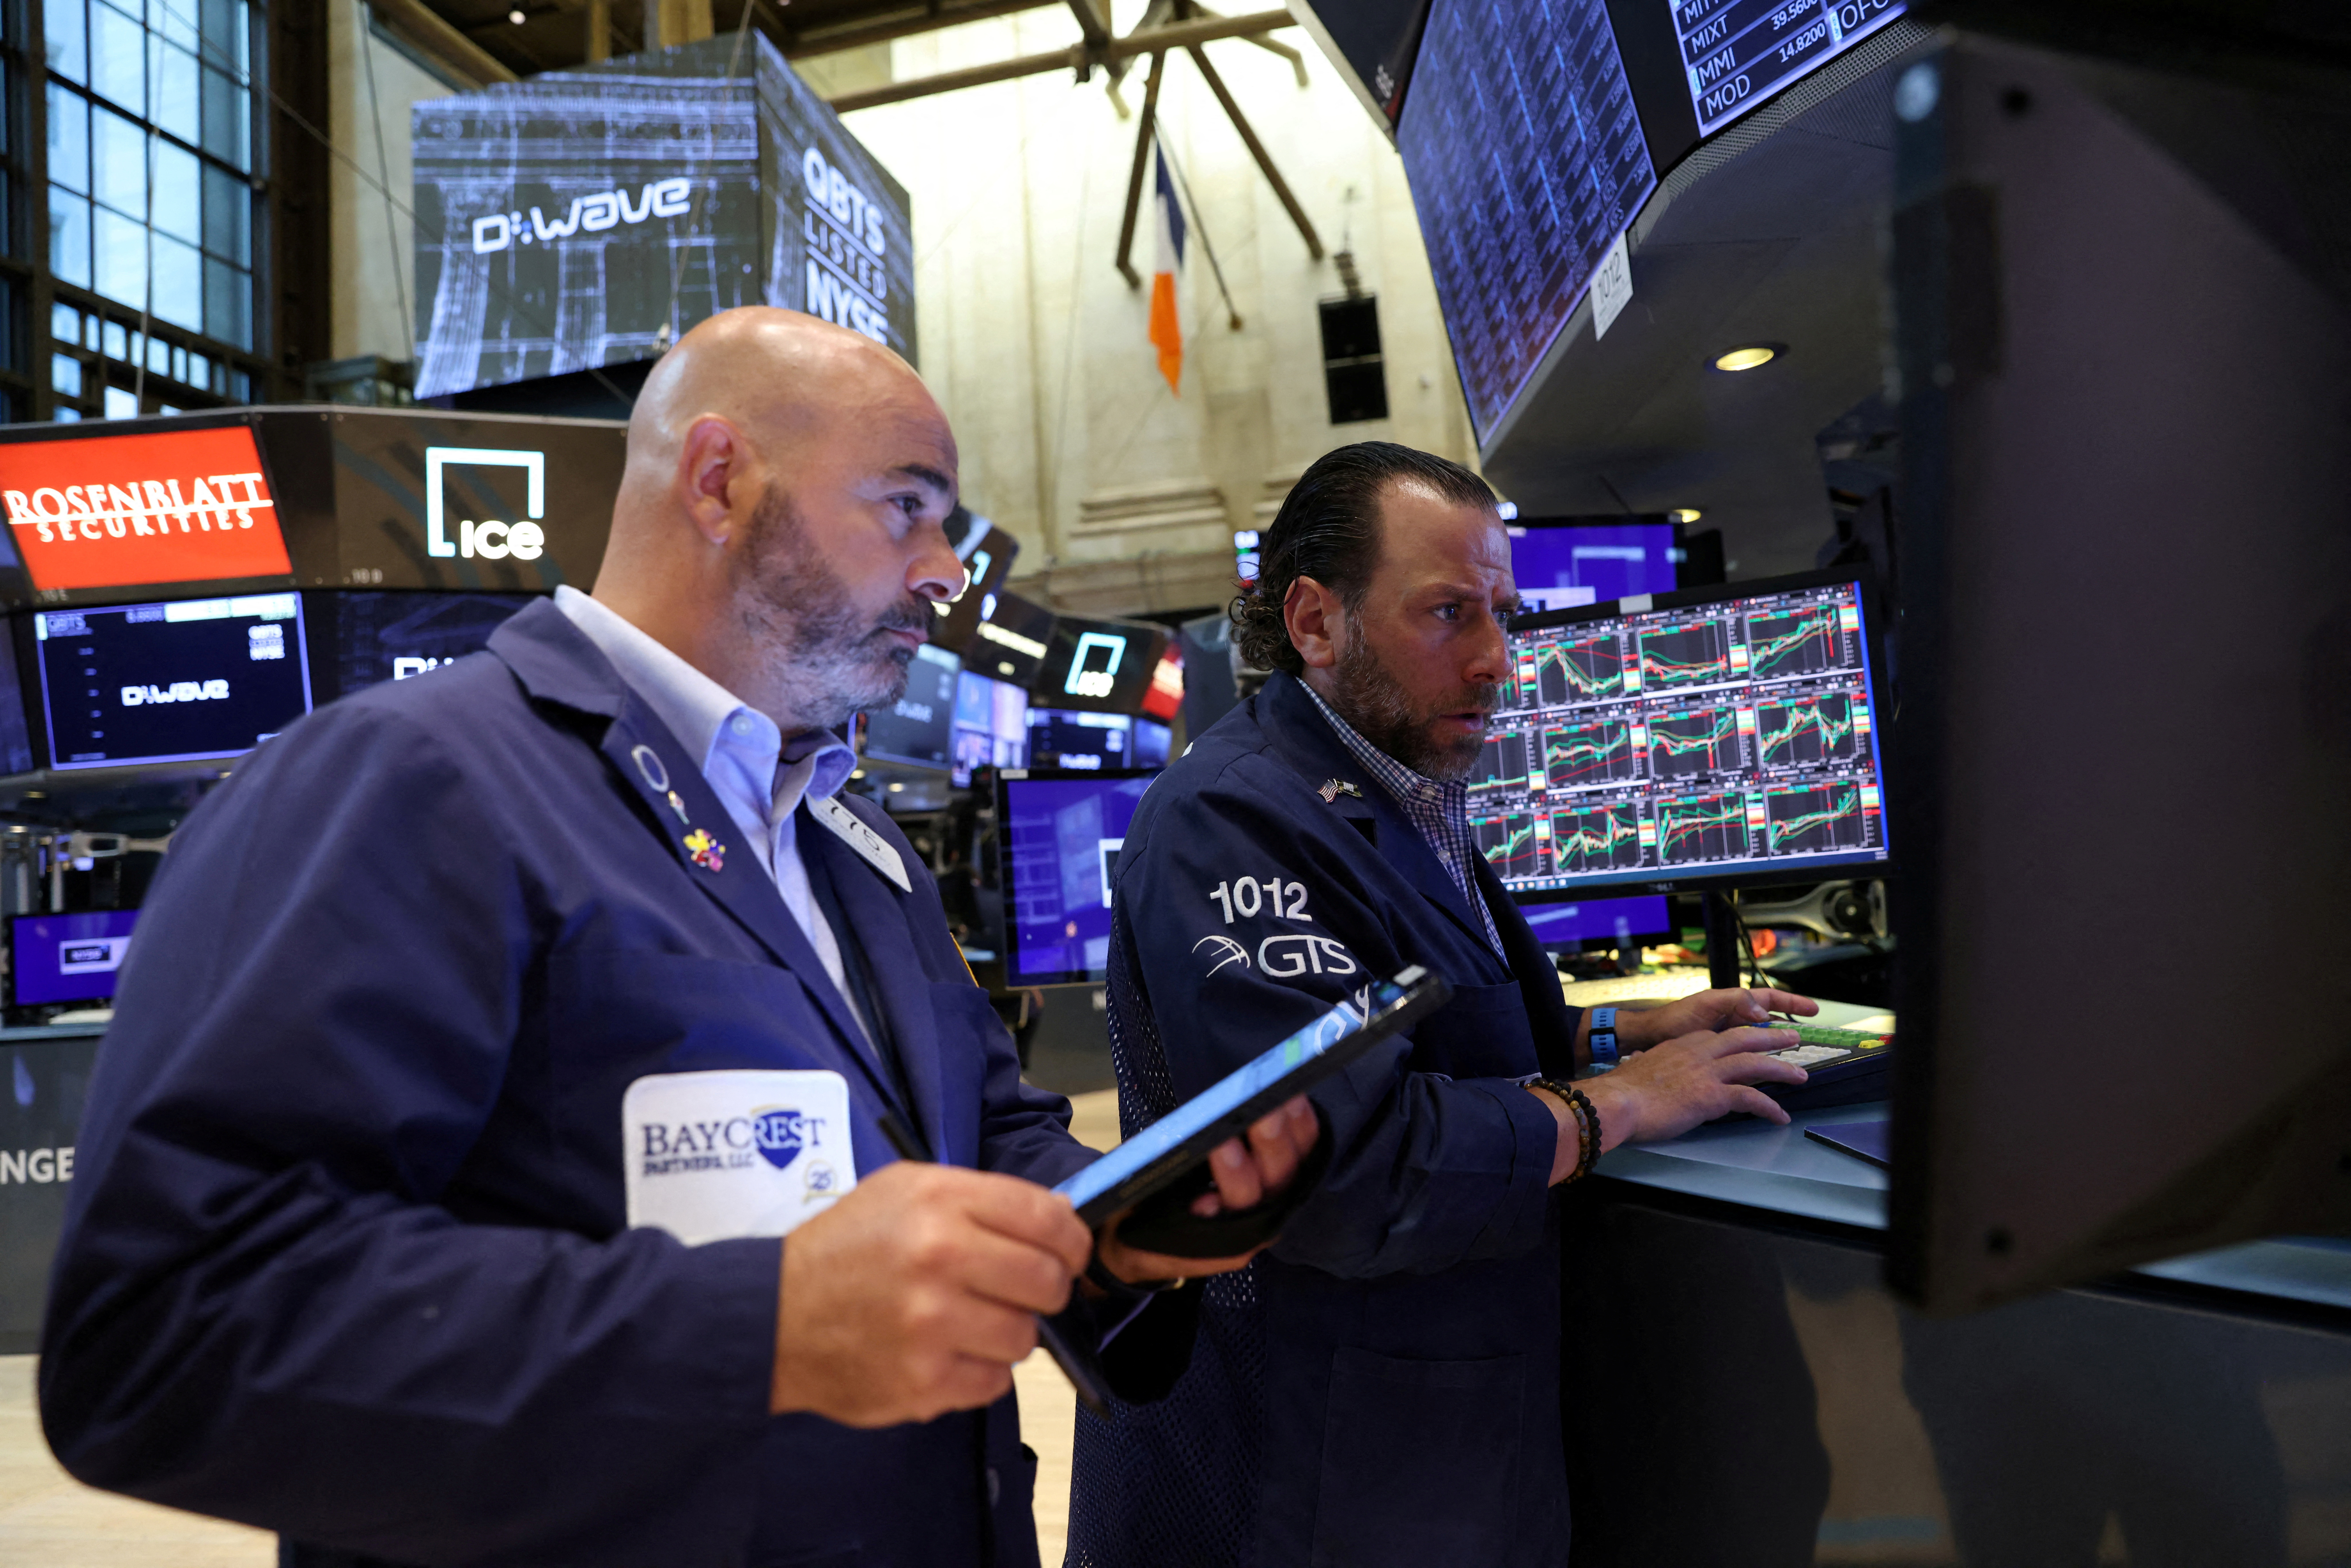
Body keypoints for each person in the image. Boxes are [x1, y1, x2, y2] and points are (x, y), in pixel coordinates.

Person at [38, 308, 1318, 1568]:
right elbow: (164, 1333)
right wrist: (761, 1328)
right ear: (718, 482)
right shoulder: (409, 780)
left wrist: (1116, 1219)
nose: (945, 571)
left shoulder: (851, 842)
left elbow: (977, 1136)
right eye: (905, 507)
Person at [1066, 441, 1817, 1568]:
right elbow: (1341, 1165)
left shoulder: (1395, 790)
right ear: (1315, 622)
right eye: (1448, 614)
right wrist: (1616, 1102)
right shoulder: (1227, 820)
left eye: (1501, 616)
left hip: (1428, 1437)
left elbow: (1440, 1033)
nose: (1496, 661)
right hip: (1308, 1467)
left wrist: (1621, 1034)